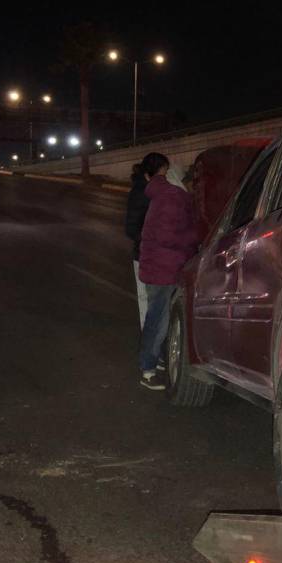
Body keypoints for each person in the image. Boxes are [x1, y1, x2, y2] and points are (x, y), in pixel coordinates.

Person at [137, 157, 198, 390]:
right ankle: (148, 369)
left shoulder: (160, 195)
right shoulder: (173, 196)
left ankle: (154, 361)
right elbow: (167, 236)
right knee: (158, 320)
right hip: (165, 268)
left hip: (156, 266)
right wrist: (196, 237)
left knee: (158, 318)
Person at [125, 153, 167, 329]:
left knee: (155, 298)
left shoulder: (155, 190)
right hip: (144, 254)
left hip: (157, 253)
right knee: (146, 297)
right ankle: (149, 336)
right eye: (163, 172)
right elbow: (131, 228)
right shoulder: (141, 193)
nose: (165, 176)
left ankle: (153, 336)